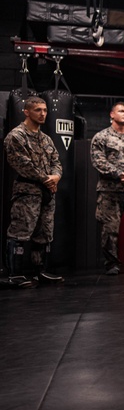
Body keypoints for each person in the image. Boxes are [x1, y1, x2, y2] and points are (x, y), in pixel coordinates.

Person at [4, 96, 63, 286]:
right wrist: (48, 180)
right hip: (27, 193)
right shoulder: (16, 136)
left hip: (47, 194)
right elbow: (23, 165)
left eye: (45, 110)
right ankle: (15, 274)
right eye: (38, 110)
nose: (43, 113)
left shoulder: (45, 138)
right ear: (26, 112)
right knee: (20, 233)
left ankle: (41, 272)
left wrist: (56, 177)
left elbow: (56, 162)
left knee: (44, 234)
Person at [89, 101, 124, 276]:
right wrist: (121, 175)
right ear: (112, 115)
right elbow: (98, 162)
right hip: (109, 191)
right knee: (110, 230)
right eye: (121, 111)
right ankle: (111, 264)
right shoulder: (101, 137)